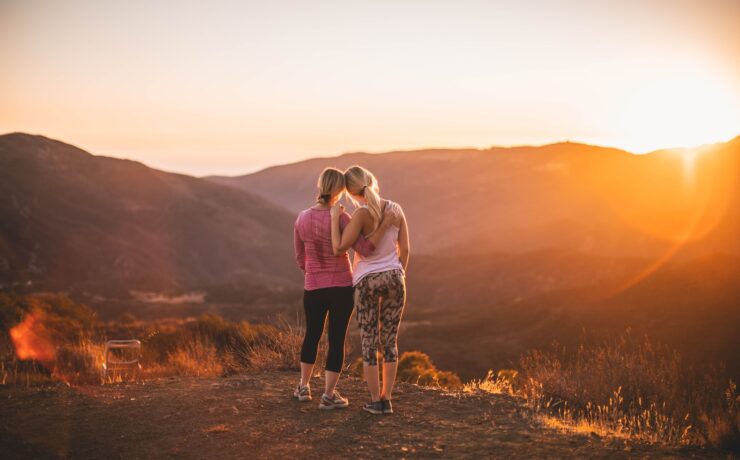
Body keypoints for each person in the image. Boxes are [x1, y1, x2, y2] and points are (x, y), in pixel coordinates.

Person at [293, 167, 393, 410]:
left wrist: (314, 270)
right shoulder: (344, 218)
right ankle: (328, 395)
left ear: (320, 186)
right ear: (340, 191)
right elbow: (365, 249)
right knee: (336, 339)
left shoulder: (302, 218)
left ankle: (304, 387)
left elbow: (299, 257)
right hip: (341, 287)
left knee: (312, 335)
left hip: (313, 286)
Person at [330, 165, 409, 415]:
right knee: (390, 340)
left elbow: (342, 247)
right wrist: (399, 273)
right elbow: (405, 250)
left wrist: (335, 220)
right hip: (396, 278)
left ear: (352, 193)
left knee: (369, 340)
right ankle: (388, 398)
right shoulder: (396, 209)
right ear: (372, 181)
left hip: (366, 282)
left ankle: (376, 400)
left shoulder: (361, 216)